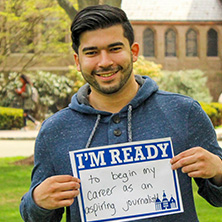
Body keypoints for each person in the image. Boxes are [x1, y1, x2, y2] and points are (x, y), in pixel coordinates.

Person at [20, 5, 222, 222]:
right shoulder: (55, 130)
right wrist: (37, 201)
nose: (105, 62)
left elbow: (217, 198)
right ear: (78, 61)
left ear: (133, 52)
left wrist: (219, 171)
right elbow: (38, 217)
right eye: (91, 52)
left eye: (115, 49)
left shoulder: (185, 112)